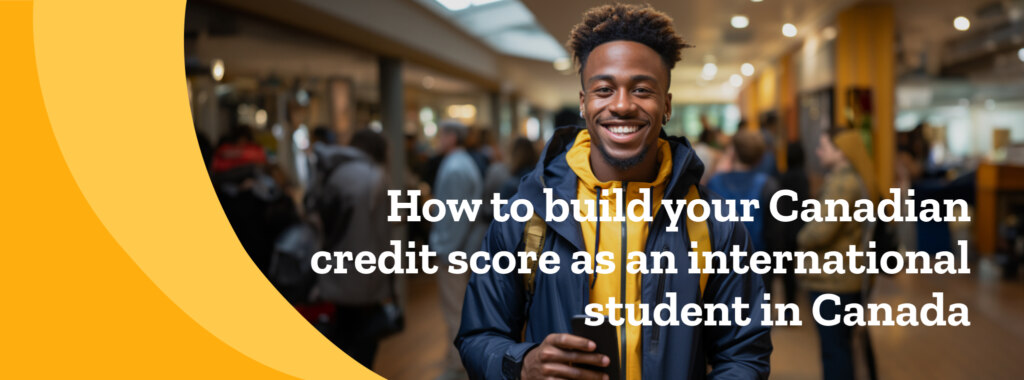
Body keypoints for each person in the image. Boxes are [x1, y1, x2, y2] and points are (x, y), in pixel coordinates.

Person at [456, 4, 771, 379]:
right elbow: (479, 335)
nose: (621, 105)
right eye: (604, 89)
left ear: (666, 105)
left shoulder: (715, 225)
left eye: (642, 89)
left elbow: (744, 353)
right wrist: (522, 364)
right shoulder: (527, 216)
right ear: (584, 103)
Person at [312, 128, 394, 369]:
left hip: (331, 268)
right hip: (364, 272)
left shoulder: (332, 171)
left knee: (340, 335)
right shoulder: (375, 176)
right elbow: (383, 235)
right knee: (363, 342)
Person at [798, 128, 875, 380]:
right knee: (841, 346)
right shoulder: (856, 179)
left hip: (832, 281)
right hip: (846, 277)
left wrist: (799, 238)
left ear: (841, 151)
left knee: (834, 350)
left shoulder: (842, 184)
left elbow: (820, 232)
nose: (818, 152)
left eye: (824, 147)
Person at [432, 120, 486, 380]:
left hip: (456, 252)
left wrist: (443, 249)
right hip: (464, 249)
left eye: (442, 134)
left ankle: (457, 365)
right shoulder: (462, 163)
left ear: (452, 137)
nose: (438, 139)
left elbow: (454, 218)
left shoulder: (455, 167)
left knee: (455, 310)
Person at [706, 130, 782, 289]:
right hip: (759, 262)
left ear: (732, 152)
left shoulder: (714, 183)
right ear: (760, 157)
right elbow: (775, 233)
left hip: (722, 263)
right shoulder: (768, 185)